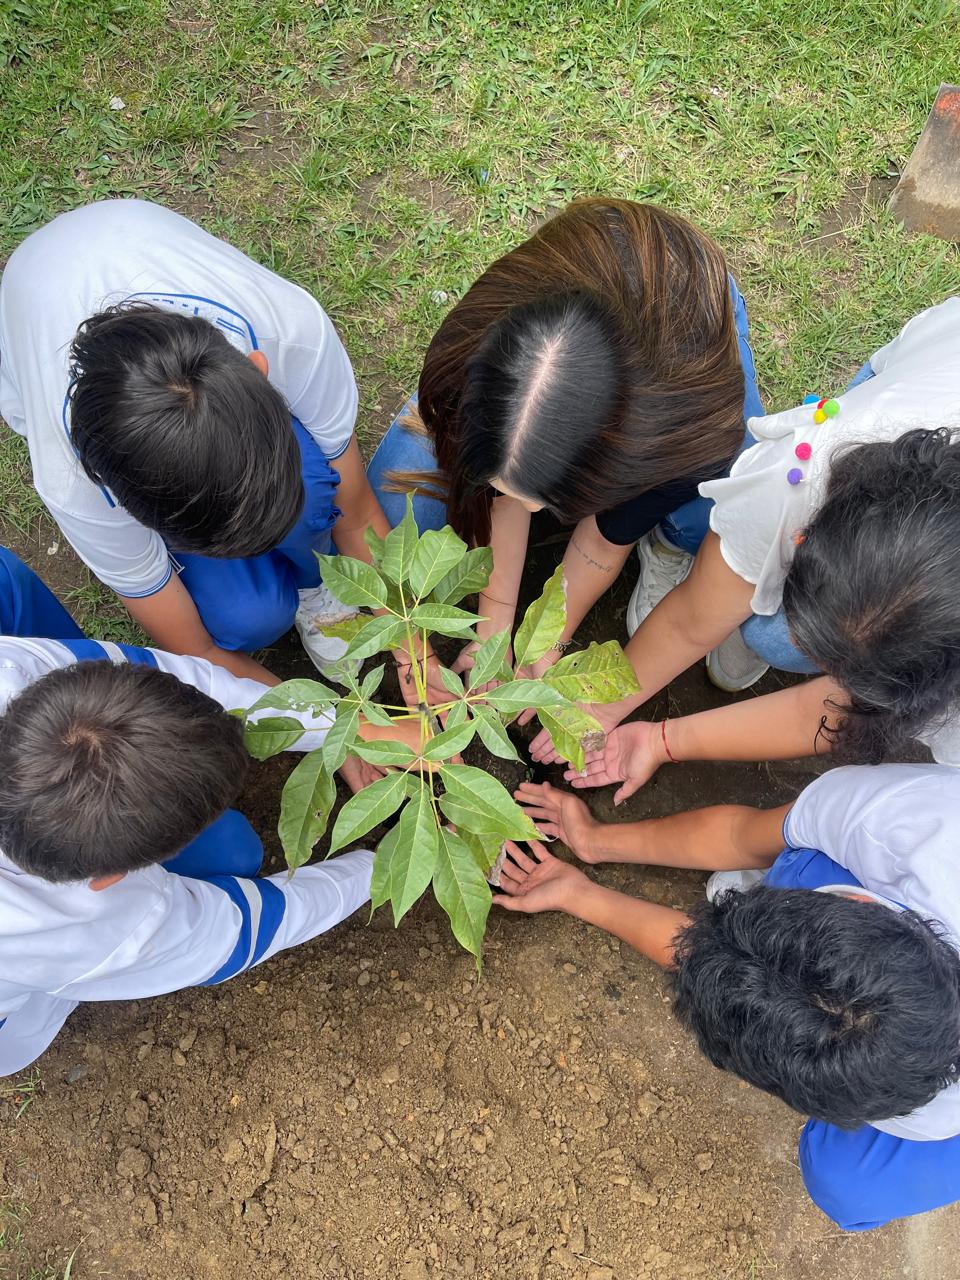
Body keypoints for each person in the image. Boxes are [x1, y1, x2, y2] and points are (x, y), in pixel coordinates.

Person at [0, 199, 444, 705]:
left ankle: (312, 581)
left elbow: (357, 507)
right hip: (35, 295)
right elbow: (194, 648)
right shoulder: (74, 484)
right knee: (249, 618)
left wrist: (415, 650)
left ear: (260, 370)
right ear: (123, 499)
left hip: (121, 229)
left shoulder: (293, 334)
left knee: (318, 489)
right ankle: (287, 583)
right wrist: (337, 726)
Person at [0, 550, 417, 1076]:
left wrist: (357, 732)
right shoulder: (97, 932)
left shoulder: (13, 671)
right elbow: (251, 926)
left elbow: (176, 677)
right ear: (109, 878)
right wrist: (390, 863)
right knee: (234, 850)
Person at [500, 766, 960, 1232]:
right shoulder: (914, 820)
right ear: (864, 904)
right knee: (801, 859)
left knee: (848, 1185)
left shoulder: (932, 1122)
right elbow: (743, 835)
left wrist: (579, 895)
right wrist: (591, 846)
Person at [531, 296, 960, 786]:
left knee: (772, 636)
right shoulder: (797, 475)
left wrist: (661, 741)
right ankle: (683, 544)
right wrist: (600, 707)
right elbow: (691, 620)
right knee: (767, 623)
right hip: (932, 372)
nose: (821, 669)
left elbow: (837, 711)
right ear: (803, 535)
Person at [365, 198, 763, 684]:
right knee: (392, 511)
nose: (532, 515)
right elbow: (508, 479)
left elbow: (602, 540)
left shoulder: (685, 428)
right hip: (577, 328)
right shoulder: (488, 357)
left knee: (716, 506)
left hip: (697, 342)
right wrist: (493, 627)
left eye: (545, 502)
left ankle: (667, 538)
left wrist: (547, 640)